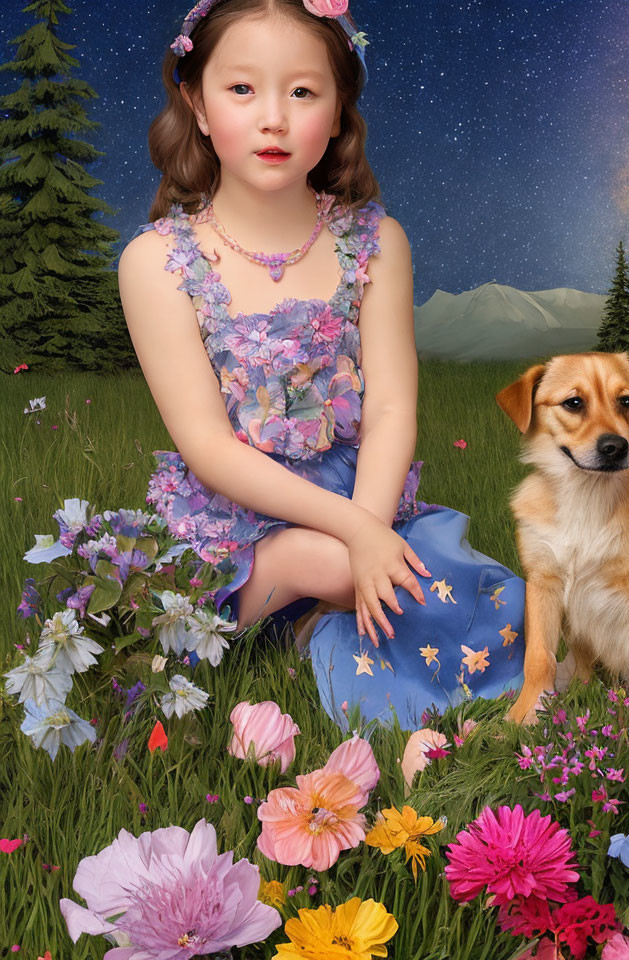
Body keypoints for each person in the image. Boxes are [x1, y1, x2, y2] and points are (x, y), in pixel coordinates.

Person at [118, 0, 525, 730]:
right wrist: (354, 542)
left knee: (445, 579)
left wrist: (371, 526)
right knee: (346, 567)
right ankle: (317, 629)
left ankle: (347, 642)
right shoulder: (157, 262)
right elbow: (208, 448)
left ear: (338, 111)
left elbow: (392, 407)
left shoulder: (375, 242)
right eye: (242, 89)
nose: (273, 117)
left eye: (302, 91)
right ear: (197, 105)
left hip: (361, 495)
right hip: (237, 525)